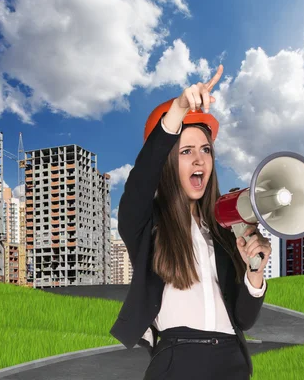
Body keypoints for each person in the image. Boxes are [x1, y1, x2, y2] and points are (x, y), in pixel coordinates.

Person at [109, 65, 272, 380]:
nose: (199, 160)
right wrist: (179, 110)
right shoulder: (146, 223)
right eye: (186, 151)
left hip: (232, 361)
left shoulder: (225, 231)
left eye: (206, 150)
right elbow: (140, 181)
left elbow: (244, 319)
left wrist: (254, 273)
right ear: (167, 161)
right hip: (177, 360)